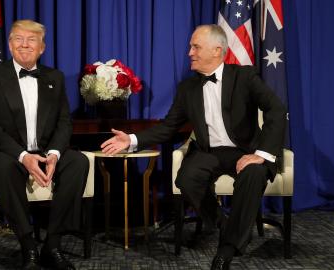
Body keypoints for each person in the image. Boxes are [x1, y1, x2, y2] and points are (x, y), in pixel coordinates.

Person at [101, 24, 286, 270]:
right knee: (186, 179)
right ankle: (225, 224)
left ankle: (227, 250)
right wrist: (132, 140)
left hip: (246, 151)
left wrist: (261, 155)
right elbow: (168, 127)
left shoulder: (245, 76)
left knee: (253, 173)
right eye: (191, 47)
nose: (190, 52)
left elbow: (277, 109)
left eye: (195, 47)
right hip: (209, 152)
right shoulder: (187, 88)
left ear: (217, 50)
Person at [0, 19, 88, 270]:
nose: (24, 45)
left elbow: (64, 122)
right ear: (10, 45)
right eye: (18, 39)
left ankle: (52, 244)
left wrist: (55, 153)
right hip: (5, 149)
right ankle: (28, 247)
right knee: (4, 168)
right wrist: (23, 156)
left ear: (42, 47)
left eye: (31, 40)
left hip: (44, 149)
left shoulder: (54, 77)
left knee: (78, 161)